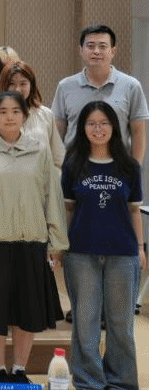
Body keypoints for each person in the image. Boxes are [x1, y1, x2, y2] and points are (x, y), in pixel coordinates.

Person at [0, 91, 68, 384]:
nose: (9, 117)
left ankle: (20, 369)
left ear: (24, 115)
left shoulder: (40, 149)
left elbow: (52, 196)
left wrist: (56, 242)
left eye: (15, 111)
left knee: (28, 309)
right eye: (2, 111)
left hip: (32, 241)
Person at [61, 101, 144, 390]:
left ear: (114, 127)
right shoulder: (73, 164)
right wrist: (60, 246)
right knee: (86, 322)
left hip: (123, 253)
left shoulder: (129, 166)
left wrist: (140, 248)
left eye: (104, 123)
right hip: (81, 253)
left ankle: (121, 381)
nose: (98, 129)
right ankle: (89, 381)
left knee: (121, 323)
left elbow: (134, 210)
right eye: (91, 124)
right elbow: (68, 210)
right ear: (83, 128)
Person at [52, 24, 148, 164]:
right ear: (81, 50)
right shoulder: (65, 86)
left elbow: (138, 132)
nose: (96, 51)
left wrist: (135, 169)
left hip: (118, 168)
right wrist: (59, 169)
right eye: (90, 46)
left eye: (102, 46)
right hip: (76, 168)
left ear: (113, 51)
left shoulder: (131, 86)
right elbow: (58, 133)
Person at [0, 61, 65, 168]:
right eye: (12, 84)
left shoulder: (46, 115)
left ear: (31, 85)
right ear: (4, 86)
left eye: (23, 84)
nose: (17, 89)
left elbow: (59, 159)